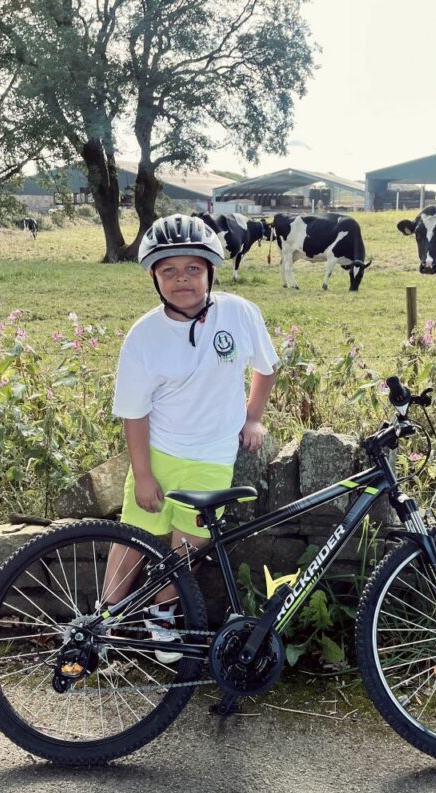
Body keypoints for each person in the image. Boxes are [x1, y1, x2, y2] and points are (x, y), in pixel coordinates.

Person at [102, 214, 278, 662]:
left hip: (212, 457)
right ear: (154, 277)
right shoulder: (144, 337)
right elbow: (135, 414)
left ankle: (161, 619)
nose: (183, 280)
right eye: (169, 271)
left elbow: (266, 367)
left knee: (184, 553)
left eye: (193, 269)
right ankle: (100, 625)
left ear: (210, 271)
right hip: (159, 452)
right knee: (134, 540)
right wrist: (142, 475)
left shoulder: (239, 313)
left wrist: (253, 418)